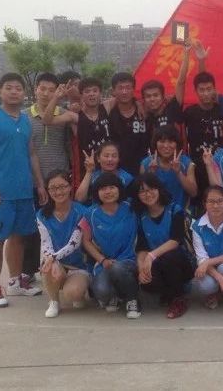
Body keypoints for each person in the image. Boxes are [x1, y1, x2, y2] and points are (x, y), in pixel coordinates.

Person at [0, 73, 46, 307]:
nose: (14, 92)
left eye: (18, 88)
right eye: (9, 87)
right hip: (0, 192)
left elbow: (31, 154)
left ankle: (15, 282)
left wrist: (39, 184)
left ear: (24, 93)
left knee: (19, 238)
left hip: (24, 190)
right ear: (0, 91)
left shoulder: (25, 120)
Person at [23, 73, 73, 279]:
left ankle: (61, 266)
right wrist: (38, 182)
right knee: (32, 226)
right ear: (35, 89)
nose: (46, 93)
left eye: (51, 90)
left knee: (59, 223)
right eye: (42, 89)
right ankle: (28, 270)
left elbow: (70, 144)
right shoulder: (24, 116)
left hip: (60, 181)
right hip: (33, 180)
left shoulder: (64, 115)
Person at [132, 173, 194, 319]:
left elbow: (175, 240)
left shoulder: (175, 210)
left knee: (169, 257)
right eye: (142, 191)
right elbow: (141, 247)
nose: (148, 194)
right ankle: (168, 293)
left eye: (151, 189)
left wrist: (151, 256)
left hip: (180, 262)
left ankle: (178, 298)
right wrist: (141, 268)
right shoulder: (141, 216)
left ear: (159, 189)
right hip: (157, 262)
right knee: (144, 278)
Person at [80, 172, 141, 319]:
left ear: (119, 189)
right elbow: (86, 241)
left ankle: (132, 299)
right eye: (103, 188)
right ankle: (116, 295)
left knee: (118, 268)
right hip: (105, 263)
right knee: (101, 291)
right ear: (97, 192)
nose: (108, 192)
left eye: (112, 187)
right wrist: (102, 260)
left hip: (130, 260)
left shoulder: (132, 208)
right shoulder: (90, 213)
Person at [37, 170, 90, 318]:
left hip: (78, 266)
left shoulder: (82, 211)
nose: (58, 192)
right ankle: (54, 301)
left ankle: (78, 291)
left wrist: (53, 257)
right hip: (57, 263)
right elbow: (46, 243)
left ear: (70, 187)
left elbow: (75, 243)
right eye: (53, 188)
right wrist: (51, 260)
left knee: (73, 294)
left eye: (62, 186)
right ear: (48, 190)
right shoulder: (42, 214)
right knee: (48, 266)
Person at [42, 77, 112, 181]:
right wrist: (56, 97)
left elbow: (128, 96)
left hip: (109, 165)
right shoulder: (75, 116)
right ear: (81, 95)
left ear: (100, 93)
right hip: (87, 170)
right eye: (87, 91)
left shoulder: (107, 107)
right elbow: (46, 121)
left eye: (95, 91)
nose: (91, 94)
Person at [182, 72, 223, 206]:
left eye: (209, 89)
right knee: (200, 205)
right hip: (198, 168)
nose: (206, 93)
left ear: (214, 89)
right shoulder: (189, 112)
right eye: (201, 90)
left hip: (221, 165)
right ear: (195, 91)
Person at [139, 125, 197, 209]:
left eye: (171, 142)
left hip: (180, 212)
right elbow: (142, 195)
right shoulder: (146, 163)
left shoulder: (186, 163)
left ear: (177, 144)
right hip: (154, 212)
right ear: (155, 143)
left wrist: (178, 173)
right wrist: (151, 174)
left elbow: (193, 193)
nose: (166, 146)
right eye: (162, 141)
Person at [141, 42, 190, 135]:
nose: (152, 99)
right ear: (144, 100)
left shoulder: (172, 108)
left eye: (156, 95)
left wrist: (186, 52)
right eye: (148, 96)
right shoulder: (143, 117)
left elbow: (181, 82)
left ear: (163, 97)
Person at [108, 72, 148, 176]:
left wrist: (138, 103)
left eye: (128, 88)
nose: (124, 92)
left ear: (133, 89)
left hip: (144, 166)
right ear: (113, 91)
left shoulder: (145, 109)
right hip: (118, 168)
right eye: (120, 88)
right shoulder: (109, 111)